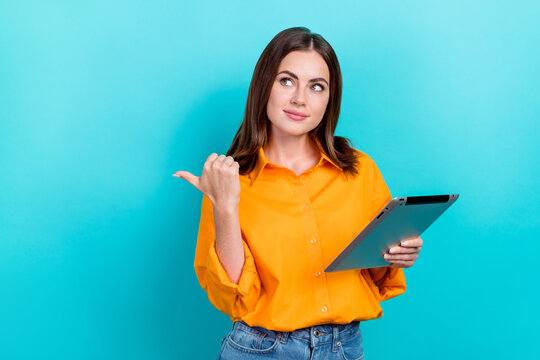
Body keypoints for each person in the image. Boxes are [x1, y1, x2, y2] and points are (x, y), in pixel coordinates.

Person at [173, 27, 423, 360]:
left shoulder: (360, 170)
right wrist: (226, 207)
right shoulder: (230, 180)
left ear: (329, 98)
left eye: (316, 86)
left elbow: (375, 276)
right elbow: (234, 298)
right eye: (287, 81)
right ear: (266, 86)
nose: (300, 99)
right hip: (260, 350)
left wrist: (396, 255)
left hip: (344, 349)